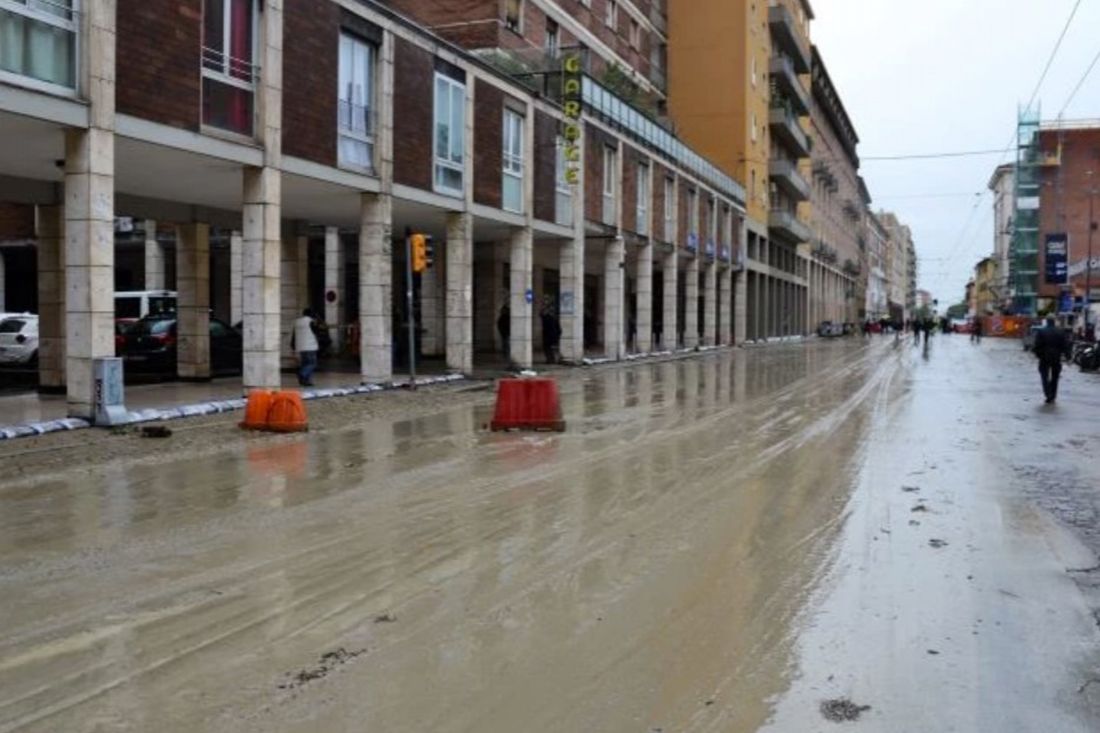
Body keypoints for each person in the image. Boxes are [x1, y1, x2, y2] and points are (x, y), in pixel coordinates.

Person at [1033, 316, 1068, 404]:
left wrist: (1038, 355)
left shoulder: (1041, 331)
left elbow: (1037, 345)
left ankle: (1048, 394)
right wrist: (1065, 355)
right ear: (1054, 322)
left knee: (1044, 376)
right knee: (1055, 377)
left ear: (1047, 322)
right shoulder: (1060, 331)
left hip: (1044, 357)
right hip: (1056, 357)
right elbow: (1065, 345)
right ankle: (1053, 395)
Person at [292, 308, 319, 387]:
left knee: (305, 363)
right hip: (310, 346)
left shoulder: (297, 321)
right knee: (312, 363)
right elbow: (316, 332)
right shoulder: (311, 321)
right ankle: (302, 374)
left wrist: (293, 346)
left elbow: (294, 335)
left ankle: (306, 381)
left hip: (300, 346)